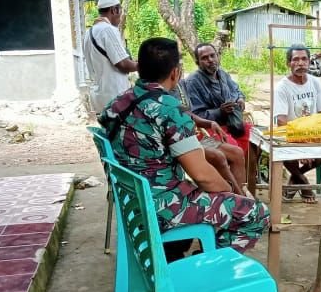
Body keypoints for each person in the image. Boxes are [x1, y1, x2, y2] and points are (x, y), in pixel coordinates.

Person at [99, 37, 269, 260]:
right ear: (175, 73)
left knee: (213, 197)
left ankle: (187, 256)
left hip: (132, 201)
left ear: (139, 68)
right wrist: (229, 192)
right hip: (162, 206)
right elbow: (203, 176)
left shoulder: (117, 103)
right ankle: (205, 264)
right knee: (255, 213)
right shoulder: (169, 109)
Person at [274, 43, 321, 202]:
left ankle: (296, 178)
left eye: (304, 59)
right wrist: (301, 144)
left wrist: (311, 142)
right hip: (291, 136)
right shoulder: (282, 88)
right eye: (296, 59)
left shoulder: (315, 82)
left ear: (309, 62)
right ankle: (304, 183)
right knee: (284, 153)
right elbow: (281, 121)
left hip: (313, 135)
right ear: (288, 63)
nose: (300, 63)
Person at [184, 43, 248, 147]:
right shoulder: (192, 82)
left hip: (232, 123)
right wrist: (219, 112)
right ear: (197, 63)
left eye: (212, 55)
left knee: (254, 137)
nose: (210, 60)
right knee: (233, 147)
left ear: (217, 56)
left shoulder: (222, 74)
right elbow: (195, 115)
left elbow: (236, 90)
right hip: (210, 128)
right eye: (204, 58)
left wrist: (240, 99)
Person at [82, 0, 138, 113]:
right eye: (120, 11)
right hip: (115, 97)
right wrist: (147, 65)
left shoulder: (89, 32)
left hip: (98, 97)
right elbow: (123, 64)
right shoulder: (107, 30)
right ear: (114, 10)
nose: (120, 17)